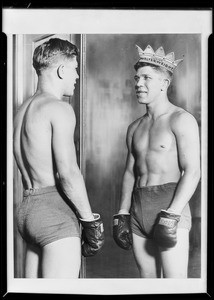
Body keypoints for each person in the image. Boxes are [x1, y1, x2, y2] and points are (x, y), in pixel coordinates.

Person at [13, 38, 104, 278]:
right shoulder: (59, 108)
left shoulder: (21, 111)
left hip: (27, 210)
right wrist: (90, 222)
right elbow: (68, 174)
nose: (76, 76)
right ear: (62, 70)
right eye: (74, 69)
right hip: (54, 213)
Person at [113, 44, 200, 278]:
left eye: (146, 78)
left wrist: (172, 213)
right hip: (138, 208)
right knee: (147, 284)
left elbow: (192, 171)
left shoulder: (181, 120)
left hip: (170, 205)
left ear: (164, 83)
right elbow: (130, 172)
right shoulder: (134, 128)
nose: (138, 84)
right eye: (137, 78)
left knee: (174, 286)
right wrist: (122, 211)